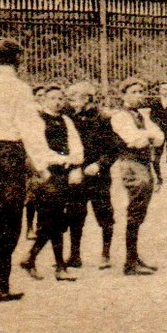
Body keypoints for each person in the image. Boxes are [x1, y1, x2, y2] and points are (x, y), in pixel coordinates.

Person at [0, 39, 64, 303]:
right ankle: (1, 285)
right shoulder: (20, 89)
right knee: (10, 221)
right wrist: (42, 166)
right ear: (19, 59)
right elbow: (31, 129)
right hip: (10, 156)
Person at [19, 83, 83, 282]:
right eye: (53, 98)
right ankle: (56, 266)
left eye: (60, 99)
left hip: (64, 174)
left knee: (57, 221)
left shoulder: (66, 121)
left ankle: (32, 259)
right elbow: (39, 150)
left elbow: (76, 146)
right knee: (51, 220)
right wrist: (62, 161)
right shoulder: (38, 121)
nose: (57, 102)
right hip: (45, 174)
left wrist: (75, 165)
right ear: (44, 100)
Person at [109, 77, 164, 275]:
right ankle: (130, 263)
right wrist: (148, 136)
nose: (138, 95)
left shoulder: (141, 116)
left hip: (143, 163)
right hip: (131, 164)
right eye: (133, 92)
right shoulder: (120, 117)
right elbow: (135, 141)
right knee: (135, 211)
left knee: (140, 212)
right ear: (123, 95)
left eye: (140, 92)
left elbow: (159, 137)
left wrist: (147, 136)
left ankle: (134, 257)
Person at [65, 81, 118, 267]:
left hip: (98, 176)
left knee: (104, 214)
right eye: (70, 98)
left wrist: (100, 165)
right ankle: (74, 255)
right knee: (75, 215)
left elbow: (113, 149)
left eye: (75, 97)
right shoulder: (68, 118)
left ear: (88, 98)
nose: (71, 102)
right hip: (76, 174)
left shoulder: (103, 118)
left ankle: (105, 254)